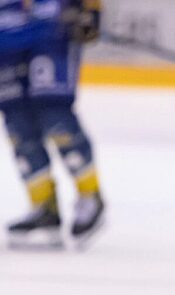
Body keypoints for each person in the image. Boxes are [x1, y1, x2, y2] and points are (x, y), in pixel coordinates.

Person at [1, 0, 105, 250]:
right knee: (18, 126)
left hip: (50, 34)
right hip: (6, 34)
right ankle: (44, 206)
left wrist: (91, 13)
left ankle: (90, 195)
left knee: (55, 115)